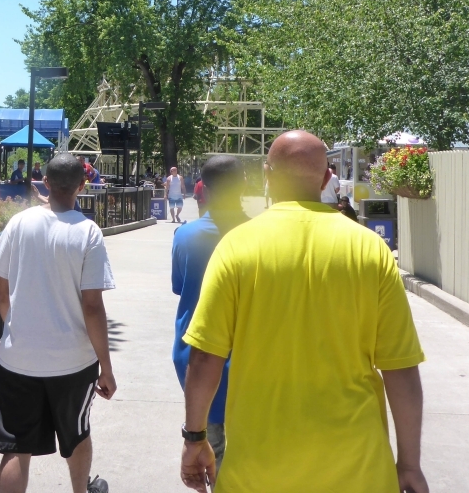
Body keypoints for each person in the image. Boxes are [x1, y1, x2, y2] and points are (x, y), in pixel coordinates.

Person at [179, 130, 427, 493]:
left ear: (267, 175)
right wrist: (409, 464)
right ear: (327, 178)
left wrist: (195, 438)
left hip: (258, 472)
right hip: (357, 470)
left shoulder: (237, 247)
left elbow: (203, 359)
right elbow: (400, 369)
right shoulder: (369, 250)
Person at [0, 154, 116, 493]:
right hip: (72, 362)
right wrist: (106, 366)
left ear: (45, 182)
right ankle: (80, 490)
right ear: (82, 186)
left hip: (18, 358)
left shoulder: (19, 223)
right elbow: (92, 306)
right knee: (77, 433)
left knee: (16, 445)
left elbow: (2, 294)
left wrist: (20, 329)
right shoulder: (89, 233)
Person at [171, 155, 247, 472]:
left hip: (197, 366)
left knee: (213, 464)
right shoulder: (260, 235)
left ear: (204, 188)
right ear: (243, 185)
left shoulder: (185, 236)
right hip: (250, 369)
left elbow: (180, 288)